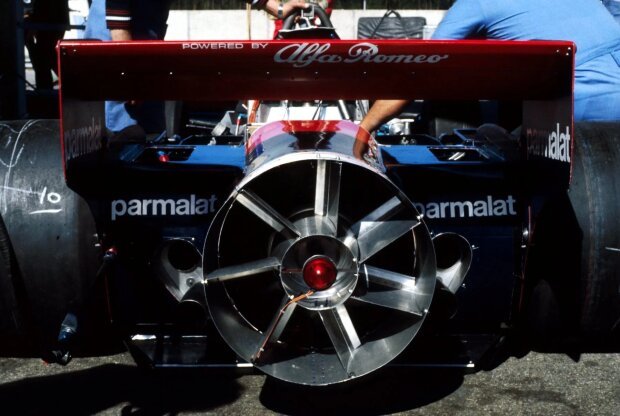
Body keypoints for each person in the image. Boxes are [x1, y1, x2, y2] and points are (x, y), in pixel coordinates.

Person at [359, 0, 620, 139]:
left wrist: (363, 128)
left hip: (581, 122)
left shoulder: (477, 4)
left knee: (489, 139)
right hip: (602, 107)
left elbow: (419, 71)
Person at [84, 0, 308, 137]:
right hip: (117, 37)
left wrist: (275, 7)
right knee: (123, 136)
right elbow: (117, 5)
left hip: (145, 40)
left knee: (150, 134)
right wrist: (127, 68)